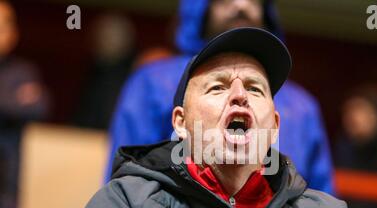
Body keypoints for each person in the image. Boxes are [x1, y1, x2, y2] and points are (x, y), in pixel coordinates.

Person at [61, 28, 367, 208]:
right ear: (180, 123)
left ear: (274, 126)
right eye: (217, 87)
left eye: (255, 88)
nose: (239, 96)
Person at [106, 0, 334, 194]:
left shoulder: (301, 106)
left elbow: (320, 197)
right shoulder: (153, 82)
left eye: (253, 0)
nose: (241, 6)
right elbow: (126, 178)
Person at [0, 0, 48, 208]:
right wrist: (11, 101)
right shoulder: (18, 82)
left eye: (3, 25)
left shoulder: (23, 71)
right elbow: (18, 105)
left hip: (6, 184)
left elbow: (38, 106)